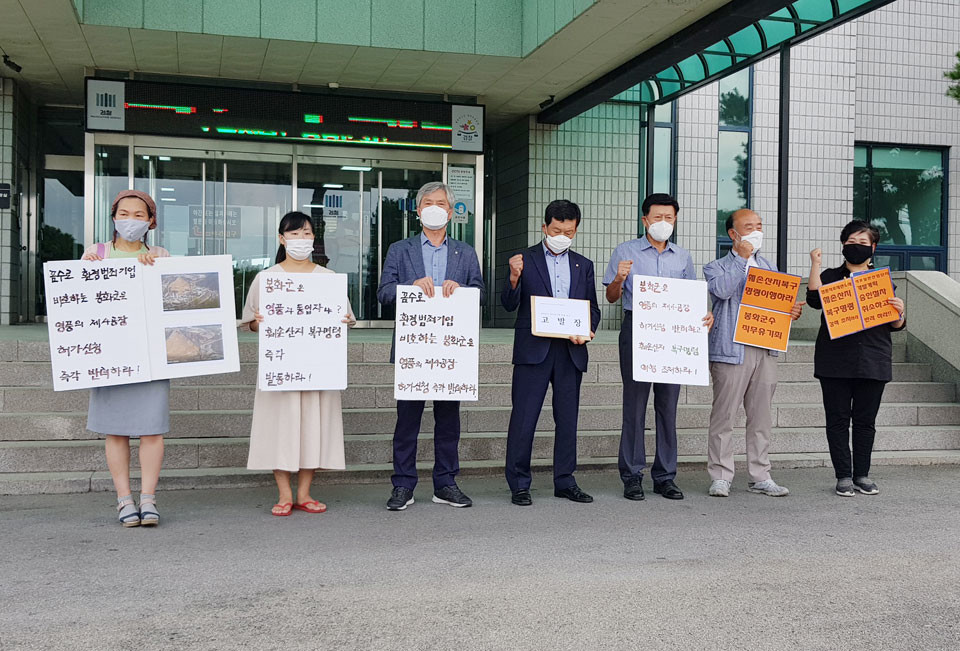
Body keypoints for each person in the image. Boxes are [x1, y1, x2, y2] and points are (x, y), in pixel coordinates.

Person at [377, 181, 484, 511]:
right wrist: (408, 287)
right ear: (418, 209)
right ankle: (403, 485)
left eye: (441, 203)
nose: (434, 207)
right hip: (415, 349)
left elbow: (479, 293)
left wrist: (461, 288)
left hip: (451, 351)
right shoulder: (400, 249)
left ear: (451, 212)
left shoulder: (465, 253)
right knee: (407, 421)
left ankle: (446, 483)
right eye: (428, 202)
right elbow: (383, 293)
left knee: (448, 420)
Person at [241, 212, 356, 516]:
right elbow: (249, 323)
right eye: (294, 234)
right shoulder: (267, 278)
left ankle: (303, 493)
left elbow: (347, 319)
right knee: (280, 428)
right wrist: (258, 322)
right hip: (281, 368)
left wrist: (344, 320)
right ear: (281, 239)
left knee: (313, 428)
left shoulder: (328, 279)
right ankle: (283, 494)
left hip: (317, 368)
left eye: (306, 234)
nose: (301, 240)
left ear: (314, 239)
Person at [602, 193, 713, 501]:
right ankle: (632, 474)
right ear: (645, 220)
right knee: (634, 406)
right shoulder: (625, 251)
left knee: (667, 406)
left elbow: (691, 297)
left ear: (675, 220)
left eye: (669, 218)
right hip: (638, 329)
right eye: (658, 217)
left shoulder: (683, 257)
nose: (664, 223)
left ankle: (665, 475)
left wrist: (705, 314)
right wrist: (619, 278)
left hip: (673, 337)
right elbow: (612, 297)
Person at [501, 199, 601, 506]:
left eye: (568, 232)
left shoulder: (583, 265)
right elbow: (507, 303)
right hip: (534, 350)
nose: (562, 236)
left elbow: (592, 308)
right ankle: (519, 483)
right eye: (557, 230)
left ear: (576, 231)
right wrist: (514, 278)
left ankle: (565, 480)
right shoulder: (524, 259)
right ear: (545, 227)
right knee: (524, 417)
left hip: (570, 350)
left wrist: (588, 330)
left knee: (567, 419)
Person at [81, 190, 170, 527]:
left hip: (150, 355)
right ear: (114, 216)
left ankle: (148, 499)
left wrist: (158, 271)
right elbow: (78, 304)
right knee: (115, 431)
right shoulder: (96, 253)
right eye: (124, 213)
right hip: (110, 354)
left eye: (139, 215)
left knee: (152, 430)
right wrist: (86, 271)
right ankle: (124, 500)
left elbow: (174, 300)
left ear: (151, 221)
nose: (130, 220)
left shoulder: (160, 254)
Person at [703, 209, 803, 498]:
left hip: (764, 348)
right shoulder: (716, 267)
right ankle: (721, 475)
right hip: (731, 350)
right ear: (733, 234)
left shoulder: (770, 267)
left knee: (760, 417)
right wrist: (743, 261)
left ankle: (760, 474)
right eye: (748, 227)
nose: (756, 231)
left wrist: (790, 311)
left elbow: (776, 306)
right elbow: (721, 291)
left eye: (759, 225)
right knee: (724, 415)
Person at [806, 220, 906, 497]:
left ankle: (862, 474)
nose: (857, 248)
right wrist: (815, 263)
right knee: (837, 420)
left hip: (873, 359)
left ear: (873, 248)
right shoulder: (830, 276)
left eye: (863, 243)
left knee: (865, 422)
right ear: (843, 246)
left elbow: (895, 325)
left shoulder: (882, 282)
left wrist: (900, 312)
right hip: (835, 360)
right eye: (851, 242)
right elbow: (814, 300)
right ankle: (843, 476)